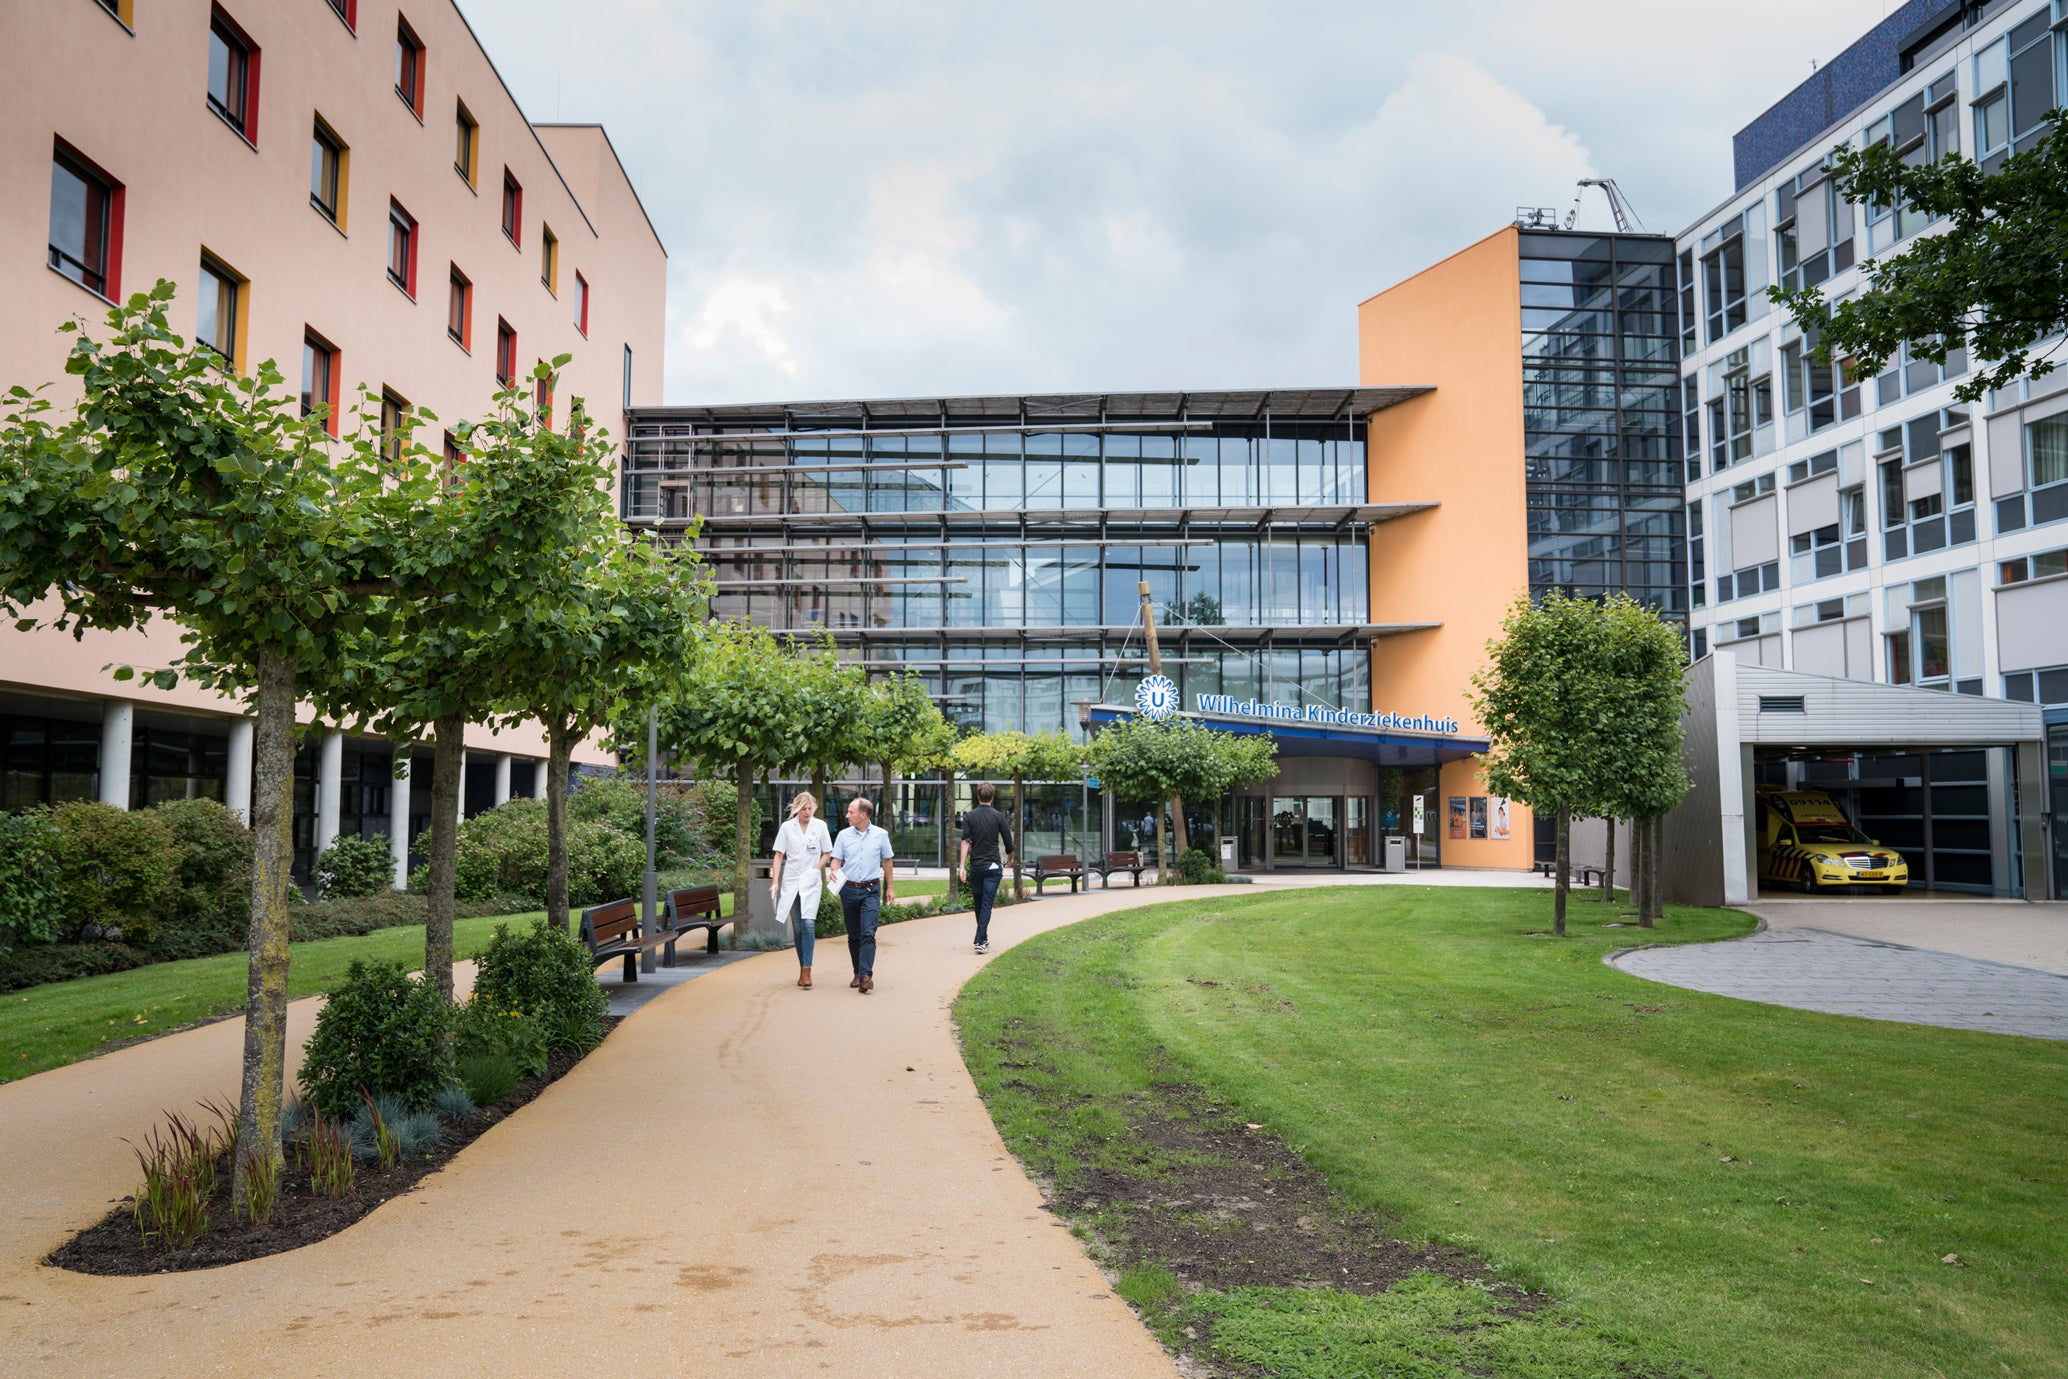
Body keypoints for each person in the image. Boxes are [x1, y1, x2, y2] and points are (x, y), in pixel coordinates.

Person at [828, 796, 895, 994]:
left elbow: (887, 862)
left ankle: (866, 976)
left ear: (863, 815)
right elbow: (836, 860)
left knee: (868, 932)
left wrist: (890, 888)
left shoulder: (881, 835)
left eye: (851, 812)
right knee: (854, 935)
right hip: (848, 889)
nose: (847, 815)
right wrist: (833, 870)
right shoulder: (843, 835)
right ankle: (857, 972)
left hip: (870, 890)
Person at [769, 791, 832, 990]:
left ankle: (807, 972)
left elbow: (827, 852)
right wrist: (775, 881)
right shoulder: (787, 827)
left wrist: (816, 869)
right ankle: (802, 968)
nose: (807, 812)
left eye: (810, 808)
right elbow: (779, 855)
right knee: (797, 927)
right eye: (804, 808)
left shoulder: (820, 826)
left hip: (811, 881)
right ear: (797, 808)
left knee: (808, 924)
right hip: (791, 881)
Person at [958, 783, 1015, 955]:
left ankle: (981, 938)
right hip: (993, 867)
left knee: (979, 903)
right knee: (986, 904)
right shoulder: (999, 816)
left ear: (978, 796)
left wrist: (961, 866)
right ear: (992, 797)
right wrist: (1010, 860)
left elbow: (965, 841)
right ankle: (981, 940)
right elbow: (1009, 844)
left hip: (976, 866)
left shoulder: (969, 816)